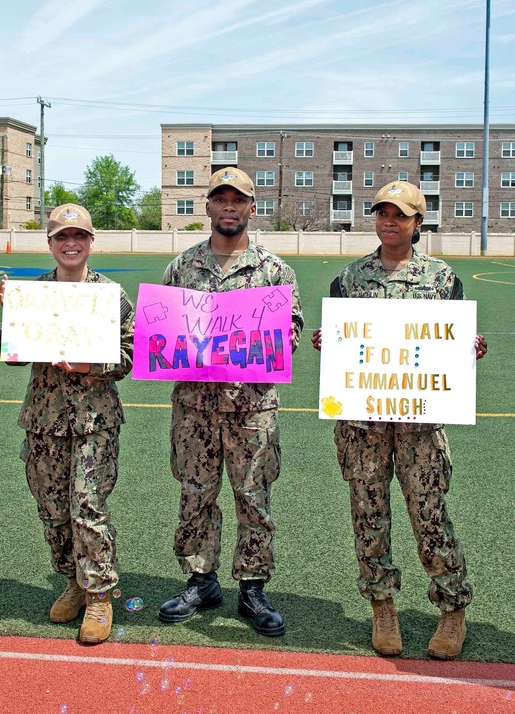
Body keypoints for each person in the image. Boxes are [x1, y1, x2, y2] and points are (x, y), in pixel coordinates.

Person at [311, 181, 487, 659]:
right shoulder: (349, 279)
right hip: (362, 424)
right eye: (382, 213)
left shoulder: (441, 278)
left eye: (400, 214)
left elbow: (452, 343)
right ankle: (382, 604)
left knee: (429, 515)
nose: (390, 221)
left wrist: (468, 348)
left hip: (420, 425)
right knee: (369, 515)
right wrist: (330, 345)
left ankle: (452, 607)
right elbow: (344, 347)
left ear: (417, 222)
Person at [158, 167, 303, 637]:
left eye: (237, 200)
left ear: (251, 208)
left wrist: (273, 339)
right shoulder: (182, 267)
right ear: (208, 207)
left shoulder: (274, 270)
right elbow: (161, 329)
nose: (228, 207)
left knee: (253, 496)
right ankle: (201, 580)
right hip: (195, 407)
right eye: (220, 199)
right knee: (195, 494)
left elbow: (291, 331)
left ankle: (254, 587)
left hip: (252, 407)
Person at [0, 204, 134, 645]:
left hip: (95, 421)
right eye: (61, 237)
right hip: (44, 420)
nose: (70, 243)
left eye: (79, 236)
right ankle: (73, 580)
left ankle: (99, 594)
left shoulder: (111, 295)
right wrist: (11, 314)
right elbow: (14, 351)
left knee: (87, 506)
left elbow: (130, 355)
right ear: (50, 243)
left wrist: (93, 364)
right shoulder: (34, 292)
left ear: (92, 241)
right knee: (53, 511)